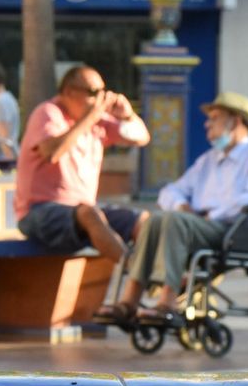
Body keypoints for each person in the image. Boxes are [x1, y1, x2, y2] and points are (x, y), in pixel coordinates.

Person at [95, 92, 248, 323]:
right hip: (198, 224)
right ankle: (129, 300)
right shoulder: (209, 159)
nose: (207, 123)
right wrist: (182, 205)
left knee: (175, 221)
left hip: (234, 228)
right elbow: (170, 191)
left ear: (237, 121)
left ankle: (166, 303)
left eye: (215, 117)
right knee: (155, 219)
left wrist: (211, 215)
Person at [14, 65, 150, 260]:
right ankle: (131, 269)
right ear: (69, 91)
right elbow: (52, 152)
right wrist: (89, 118)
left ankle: (166, 281)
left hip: (82, 213)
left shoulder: (97, 120)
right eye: (94, 92)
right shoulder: (48, 112)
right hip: (39, 212)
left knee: (141, 221)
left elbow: (141, 138)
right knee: (89, 214)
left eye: (104, 91)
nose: (101, 99)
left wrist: (127, 115)